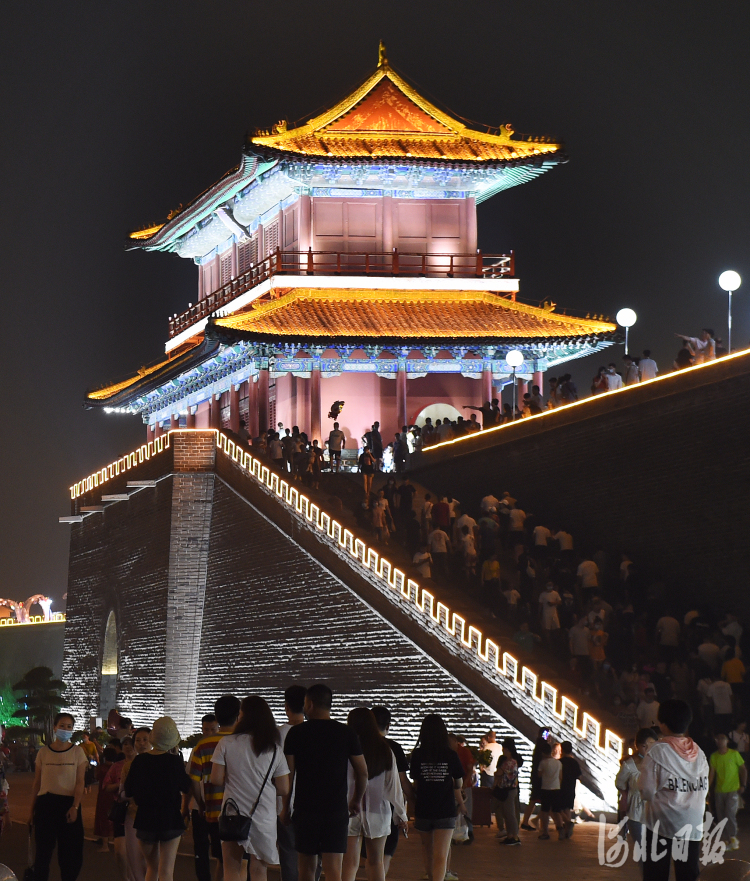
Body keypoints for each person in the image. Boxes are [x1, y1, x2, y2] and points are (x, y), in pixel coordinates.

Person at [283, 684, 368, 881]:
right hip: (336, 811)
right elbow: (362, 772)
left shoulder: (296, 733)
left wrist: (285, 808)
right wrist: (356, 799)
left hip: (305, 811)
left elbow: (289, 775)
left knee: (306, 870)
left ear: (310, 704)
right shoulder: (346, 733)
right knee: (333, 872)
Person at [210, 696, 290, 881]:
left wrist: (237, 781)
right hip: (263, 816)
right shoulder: (274, 749)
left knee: (231, 869)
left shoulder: (227, 743)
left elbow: (215, 779)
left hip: (233, 813)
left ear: (243, 716)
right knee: (259, 870)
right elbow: (284, 788)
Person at [638, 699, 709, 881]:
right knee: (688, 874)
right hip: (692, 823)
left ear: (662, 724)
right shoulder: (699, 753)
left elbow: (646, 790)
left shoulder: (657, 751)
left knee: (656, 873)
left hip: (661, 823)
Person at [341, 709, 407, 881]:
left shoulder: (346, 747)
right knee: (375, 862)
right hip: (378, 810)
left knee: (349, 862)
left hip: (349, 809)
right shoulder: (384, 749)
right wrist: (401, 813)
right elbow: (393, 785)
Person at [124, 717, 191, 881]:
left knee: (151, 869)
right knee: (166, 871)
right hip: (170, 819)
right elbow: (186, 786)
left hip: (145, 819)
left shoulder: (139, 761)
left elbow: (128, 790)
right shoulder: (174, 761)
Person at [187, 695, 242, 881]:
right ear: (238, 716)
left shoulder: (202, 745)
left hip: (215, 812)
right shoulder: (246, 742)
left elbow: (194, 780)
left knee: (222, 859)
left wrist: (202, 805)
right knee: (242, 863)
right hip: (244, 811)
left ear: (217, 719)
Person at [29, 712, 87, 881]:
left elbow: (80, 782)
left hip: (69, 804)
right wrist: (31, 810)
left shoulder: (77, 752)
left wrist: (75, 806)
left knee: (70, 854)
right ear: (54, 727)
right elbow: (37, 783)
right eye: (62, 726)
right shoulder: (43, 753)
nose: (65, 729)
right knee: (43, 853)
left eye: (69, 727)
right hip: (46, 804)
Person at [409, 714, 467, 881]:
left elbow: (416, 781)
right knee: (441, 853)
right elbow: (458, 780)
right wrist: (457, 787)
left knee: (427, 848)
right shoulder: (450, 754)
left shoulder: (418, 754)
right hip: (445, 808)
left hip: (424, 808)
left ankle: (429, 875)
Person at [370, 707, 414, 874]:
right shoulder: (393, 748)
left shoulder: (358, 745)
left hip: (360, 807)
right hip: (386, 809)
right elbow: (401, 781)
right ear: (388, 725)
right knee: (383, 856)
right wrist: (409, 806)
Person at [615, 728, 656, 847]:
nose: (648, 750)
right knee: (643, 849)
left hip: (655, 811)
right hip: (636, 812)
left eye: (652, 746)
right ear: (637, 746)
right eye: (644, 746)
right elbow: (620, 783)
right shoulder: (629, 765)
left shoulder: (659, 763)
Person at [103, 736, 135, 881]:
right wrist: (120, 785)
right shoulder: (116, 766)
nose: (128, 747)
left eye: (131, 744)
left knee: (137, 852)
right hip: (121, 811)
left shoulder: (144, 763)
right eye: (125, 744)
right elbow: (106, 786)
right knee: (120, 852)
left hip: (138, 812)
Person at [708, 733, 746, 851]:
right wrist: (707, 788)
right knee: (721, 815)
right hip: (719, 790)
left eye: (722, 739)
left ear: (727, 741)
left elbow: (743, 769)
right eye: (718, 739)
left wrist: (743, 784)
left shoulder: (734, 754)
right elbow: (712, 774)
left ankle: (733, 837)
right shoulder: (714, 756)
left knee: (730, 813)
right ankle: (727, 838)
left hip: (732, 789)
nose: (720, 741)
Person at [493, 738, 522, 846]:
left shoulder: (508, 762)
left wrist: (497, 772)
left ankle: (514, 836)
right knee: (508, 813)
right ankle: (510, 835)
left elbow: (499, 773)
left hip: (508, 790)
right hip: (511, 789)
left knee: (509, 814)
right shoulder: (514, 761)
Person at [536, 741, 563, 840]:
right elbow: (560, 776)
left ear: (543, 752)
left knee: (545, 811)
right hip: (556, 788)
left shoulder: (543, 763)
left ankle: (545, 832)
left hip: (546, 788)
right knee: (556, 811)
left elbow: (539, 774)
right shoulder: (558, 763)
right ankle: (560, 830)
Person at [558, 742, 582, 839]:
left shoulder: (559, 762)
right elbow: (579, 776)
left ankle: (567, 823)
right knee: (567, 808)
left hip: (560, 787)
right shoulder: (574, 762)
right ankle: (567, 831)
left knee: (557, 808)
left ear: (562, 750)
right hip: (570, 788)